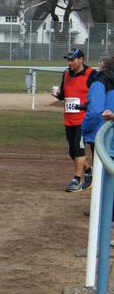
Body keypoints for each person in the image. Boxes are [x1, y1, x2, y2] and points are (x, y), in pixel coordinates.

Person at [52, 48, 95, 192]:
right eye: (68, 60)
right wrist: (58, 94)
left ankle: (77, 180)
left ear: (81, 59)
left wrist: (88, 106)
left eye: (72, 60)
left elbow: (96, 94)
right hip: (69, 119)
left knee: (78, 147)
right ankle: (89, 171)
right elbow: (63, 94)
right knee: (72, 151)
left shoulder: (91, 74)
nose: (69, 63)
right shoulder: (66, 74)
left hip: (83, 119)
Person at [82, 52, 114, 158]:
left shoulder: (100, 81)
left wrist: (84, 129)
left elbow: (95, 112)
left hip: (103, 135)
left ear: (102, 64)